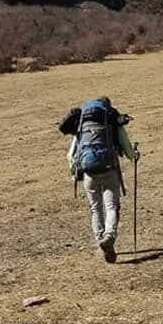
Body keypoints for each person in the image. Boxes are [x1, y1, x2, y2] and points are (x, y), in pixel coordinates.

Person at [59, 96, 138, 263]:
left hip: (89, 173)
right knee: (111, 207)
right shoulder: (111, 121)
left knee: (95, 209)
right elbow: (127, 148)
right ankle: (109, 237)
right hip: (109, 170)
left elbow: (71, 155)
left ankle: (101, 240)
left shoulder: (82, 125)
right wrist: (134, 155)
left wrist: (75, 172)